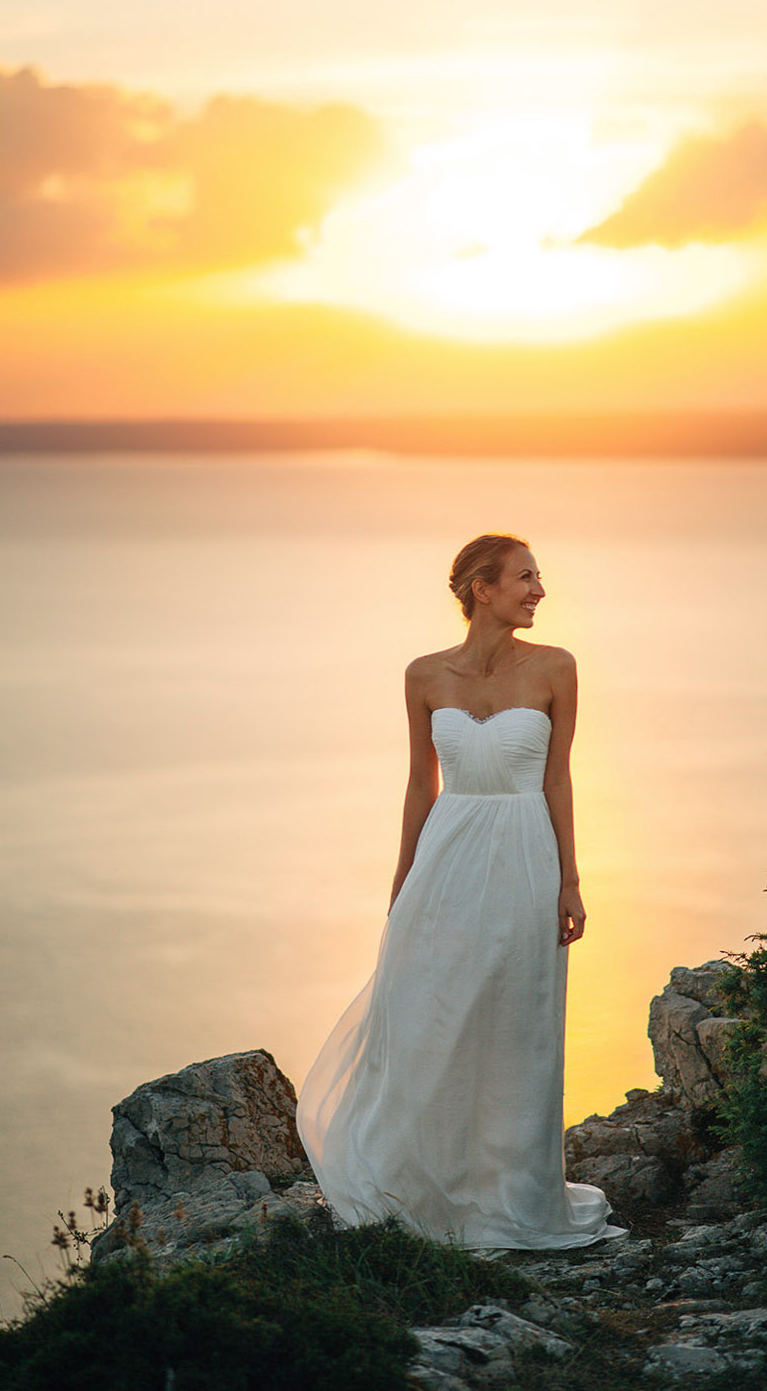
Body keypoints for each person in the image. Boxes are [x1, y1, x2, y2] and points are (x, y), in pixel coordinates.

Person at [296, 533, 627, 1250]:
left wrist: (570, 878)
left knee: (516, 1019)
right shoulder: (423, 674)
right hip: (445, 855)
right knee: (427, 1013)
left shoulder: (556, 668)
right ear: (483, 587)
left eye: (538, 578)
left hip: (523, 854)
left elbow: (557, 777)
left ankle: (513, 1192)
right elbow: (421, 782)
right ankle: (418, 1185)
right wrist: (402, 877)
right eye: (526, 577)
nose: (539, 590)